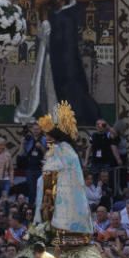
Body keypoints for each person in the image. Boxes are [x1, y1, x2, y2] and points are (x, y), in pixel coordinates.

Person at [35, 102, 94, 240]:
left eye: (48, 135)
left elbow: (51, 170)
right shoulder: (65, 148)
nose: (46, 138)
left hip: (63, 191)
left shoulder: (62, 148)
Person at [48, 0, 101, 126]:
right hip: (58, 62)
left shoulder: (67, 17)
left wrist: (69, 67)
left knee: (74, 94)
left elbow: (69, 44)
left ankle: (82, 119)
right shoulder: (55, 14)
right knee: (62, 94)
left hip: (68, 65)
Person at [86, 120, 121, 193]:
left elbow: (115, 135)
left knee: (105, 179)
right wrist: (86, 161)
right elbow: (89, 148)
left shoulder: (108, 135)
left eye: (102, 124)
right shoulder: (93, 135)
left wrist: (107, 127)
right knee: (94, 179)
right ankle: (95, 193)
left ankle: (105, 193)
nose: (100, 126)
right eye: (98, 124)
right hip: (95, 161)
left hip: (105, 161)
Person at [19, 123, 47, 204]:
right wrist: (22, 143)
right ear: (32, 130)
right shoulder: (28, 139)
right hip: (29, 168)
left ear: (40, 130)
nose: (36, 131)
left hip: (40, 168)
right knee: (31, 189)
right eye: (34, 129)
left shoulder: (44, 139)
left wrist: (41, 147)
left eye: (37, 129)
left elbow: (47, 154)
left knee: (40, 188)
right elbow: (22, 153)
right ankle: (31, 207)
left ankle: (40, 206)